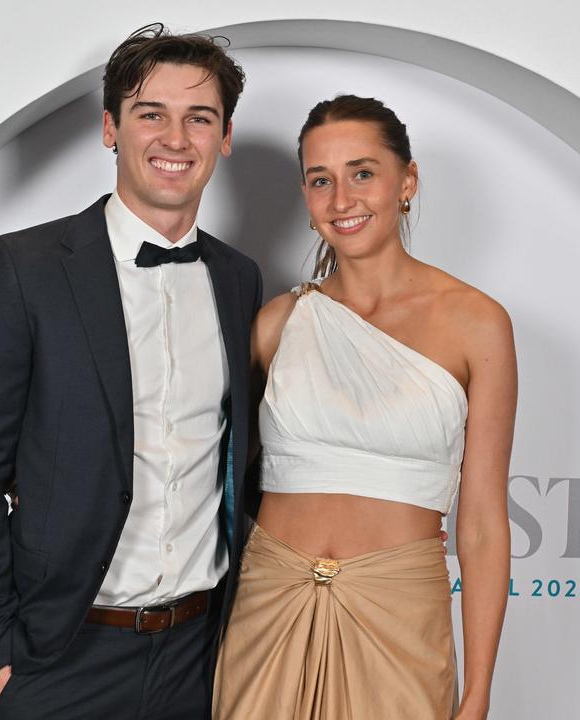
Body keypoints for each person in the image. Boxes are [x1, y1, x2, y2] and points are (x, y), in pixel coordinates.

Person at [0, 23, 263, 720]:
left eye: (199, 118)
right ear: (110, 129)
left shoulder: (239, 280)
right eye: (151, 115)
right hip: (60, 659)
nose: (176, 139)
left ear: (224, 137)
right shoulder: (20, 270)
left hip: (201, 659)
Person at [213, 95, 516, 720]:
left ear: (406, 181)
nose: (341, 199)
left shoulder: (476, 324)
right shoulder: (276, 323)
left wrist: (479, 689)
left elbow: (483, 523)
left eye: (363, 173)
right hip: (268, 608)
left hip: (400, 618)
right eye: (321, 180)